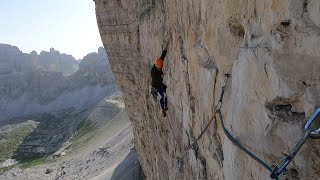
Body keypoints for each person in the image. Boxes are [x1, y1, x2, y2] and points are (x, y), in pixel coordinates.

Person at [151, 48, 168, 117]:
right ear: (157, 66)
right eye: (160, 68)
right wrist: (165, 73)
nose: (161, 68)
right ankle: (162, 109)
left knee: (167, 92)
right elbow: (161, 77)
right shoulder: (154, 74)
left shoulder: (158, 64)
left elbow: (161, 58)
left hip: (159, 84)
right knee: (162, 96)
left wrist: (165, 51)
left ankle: (166, 106)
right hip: (156, 87)